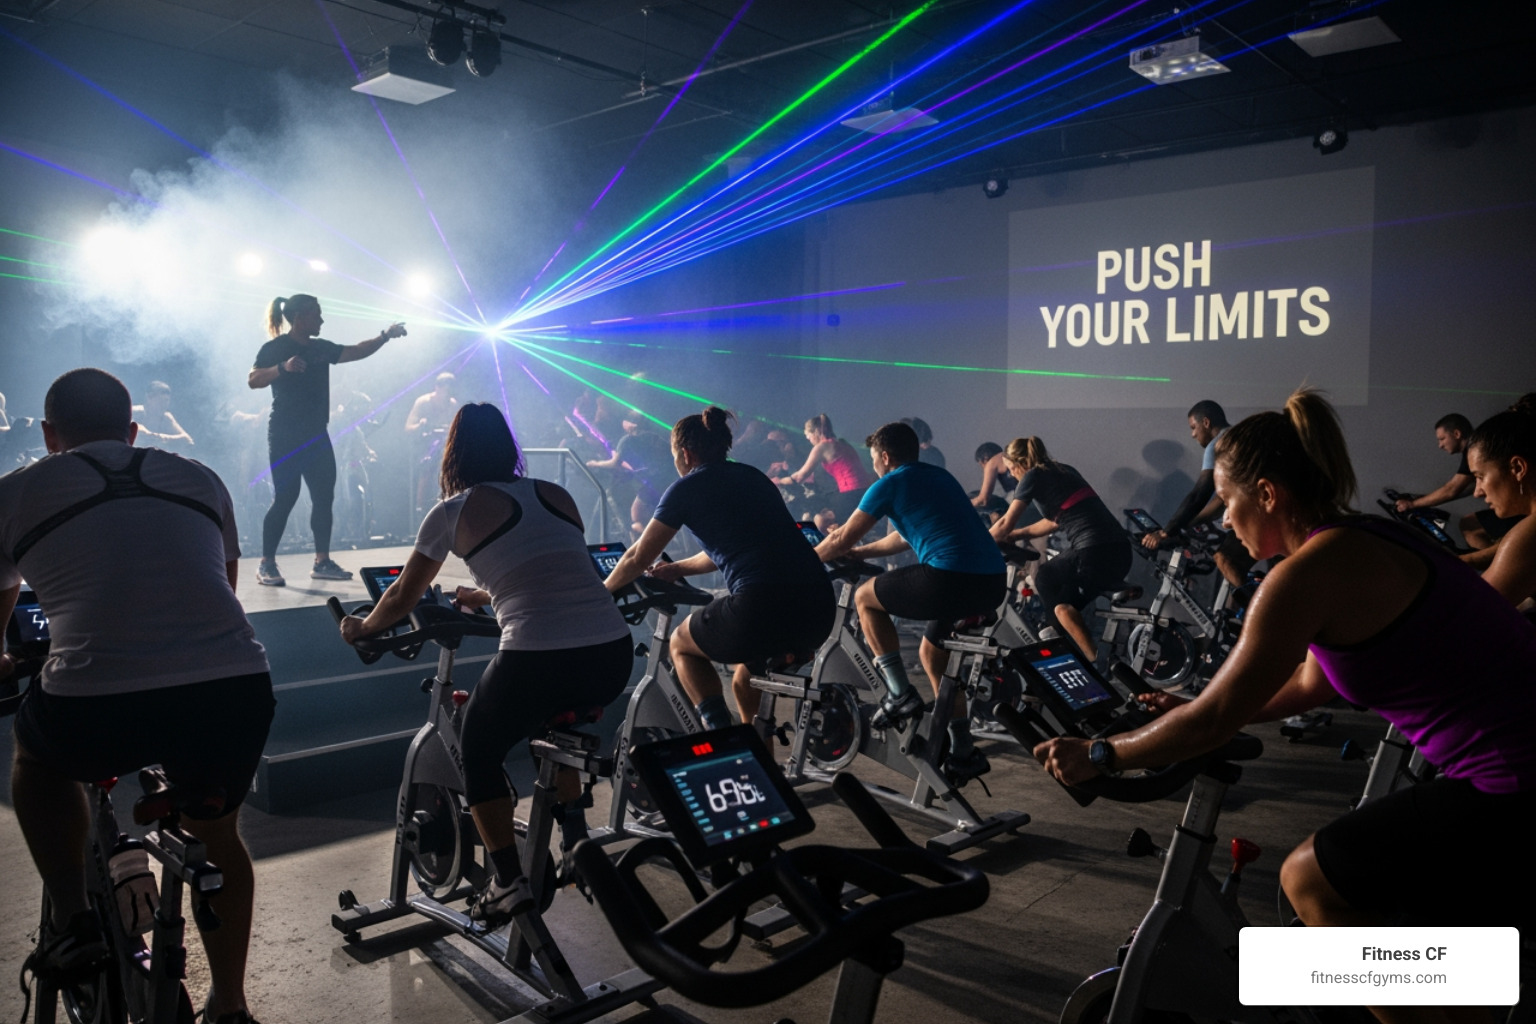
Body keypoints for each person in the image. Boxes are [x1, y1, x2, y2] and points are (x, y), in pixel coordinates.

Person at [1035, 389, 1536, 1022]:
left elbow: (1216, 722)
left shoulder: (1304, 576)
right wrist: (1189, 703)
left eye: (1230, 502)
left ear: (1268, 495)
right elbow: (1306, 688)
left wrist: (1101, 753)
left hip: (1513, 779)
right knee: (1352, 934)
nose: (1223, 521)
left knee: (1307, 879)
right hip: (1507, 767)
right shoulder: (1359, 538)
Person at [1, 369, 272, 1024]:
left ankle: (73, 921)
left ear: (48, 434)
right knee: (218, 834)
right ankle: (230, 1004)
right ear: (132, 430)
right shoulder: (201, 478)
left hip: (96, 700)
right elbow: (224, 589)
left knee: (38, 764)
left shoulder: (18, 490)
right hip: (234, 689)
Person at [339, 404, 631, 925]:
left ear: (453, 452)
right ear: (510, 447)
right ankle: (578, 845)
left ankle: (507, 881)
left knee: (478, 750)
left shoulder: (452, 510)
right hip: (611, 652)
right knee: (558, 731)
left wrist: (362, 628)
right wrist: (486, 593)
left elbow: (404, 596)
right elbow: (557, 568)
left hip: (539, 655)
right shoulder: (556, 494)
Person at [602, 406, 835, 729]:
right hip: (819, 610)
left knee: (681, 645)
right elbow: (728, 550)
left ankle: (720, 736)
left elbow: (636, 558)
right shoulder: (753, 476)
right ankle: (760, 755)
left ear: (685, 453)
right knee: (745, 677)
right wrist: (674, 569)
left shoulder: (686, 488)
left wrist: (603, 593)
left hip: (762, 609)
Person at [814, 422, 1006, 781]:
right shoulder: (939, 477)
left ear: (885, 457)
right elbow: (902, 538)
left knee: (864, 598)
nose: (874, 467)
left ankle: (900, 694)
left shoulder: (888, 483)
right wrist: (860, 553)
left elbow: (838, 538)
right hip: (991, 583)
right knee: (933, 656)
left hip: (950, 580)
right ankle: (963, 751)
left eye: (874, 460)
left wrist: (808, 560)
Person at [248, 294, 406, 586]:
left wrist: (385, 336)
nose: (321, 320)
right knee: (286, 497)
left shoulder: (321, 348)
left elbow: (356, 351)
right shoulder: (276, 348)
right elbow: (254, 379)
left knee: (324, 497)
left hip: (316, 434)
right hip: (285, 434)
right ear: (299, 318)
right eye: (316, 314)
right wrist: (282, 367)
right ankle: (266, 564)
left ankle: (322, 561)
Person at [989, 437, 1131, 661]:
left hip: (1093, 553)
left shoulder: (1032, 475)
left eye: (1009, 469)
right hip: (1121, 552)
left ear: (1019, 464)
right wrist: (1017, 535)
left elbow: (1006, 522)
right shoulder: (1064, 470)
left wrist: (980, 543)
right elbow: (1055, 521)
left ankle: (1094, 661)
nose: (1009, 475)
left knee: (1049, 584)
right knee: (1051, 577)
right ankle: (1056, 633)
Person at [1138, 400, 1255, 588]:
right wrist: (1189, 524)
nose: (1193, 435)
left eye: (1194, 428)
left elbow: (1198, 495)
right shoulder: (1238, 436)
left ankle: (1259, 612)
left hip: (1257, 513)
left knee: (1226, 560)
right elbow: (1220, 499)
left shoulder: (1217, 446)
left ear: (1206, 423)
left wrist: (1166, 532)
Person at [1394, 412, 1521, 560]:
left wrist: (1412, 504)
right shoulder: (1476, 447)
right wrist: (1425, 500)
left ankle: (1495, 567)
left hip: (1519, 506)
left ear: (1456, 433)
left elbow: (1452, 489)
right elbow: (1466, 488)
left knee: (1470, 526)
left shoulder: (1475, 450)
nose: (1440, 445)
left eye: (1442, 439)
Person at [1465, 409, 1535, 612]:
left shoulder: (1529, 534)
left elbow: (1472, 613)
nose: (1477, 492)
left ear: (1518, 468)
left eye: (1480, 476)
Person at [587, 411, 671, 540]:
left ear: (632, 424)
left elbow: (615, 463)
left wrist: (596, 463)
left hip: (653, 483)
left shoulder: (627, 440)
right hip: (668, 480)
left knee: (636, 516)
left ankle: (650, 543)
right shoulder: (655, 437)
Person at [776, 414, 874, 523]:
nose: (810, 441)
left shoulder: (821, 447)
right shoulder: (842, 443)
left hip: (851, 492)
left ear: (816, 432)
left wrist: (779, 481)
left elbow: (800, 477)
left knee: (819, 519)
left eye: (809, 437)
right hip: (866, 490)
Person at [404, 372, 458, 515]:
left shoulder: (452, 404)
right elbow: (408, 428)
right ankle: (420, 507)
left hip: (445, 447)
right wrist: (421, 426)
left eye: (450, 392)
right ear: (437, 388)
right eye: (446, 391)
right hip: (423, 448)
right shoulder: (423, 402)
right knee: (428, 465)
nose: (447, 396)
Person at [133, 380, 195, 450]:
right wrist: (147, 433)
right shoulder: (135, 412)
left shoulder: (166, 418)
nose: (164, 405)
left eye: (166, 401)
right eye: (160, 401)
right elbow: (133, 427)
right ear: (149, 397)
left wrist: (162, 437)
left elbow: (187, 439)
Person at [970, 442, 1016, 517]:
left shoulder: (992, 463)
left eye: (981, 465)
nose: (983, 468)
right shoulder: (1011, 456)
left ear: (984, 459)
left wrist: (963, 504)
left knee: (973, 495)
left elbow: (983, 499)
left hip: (1020, 498)